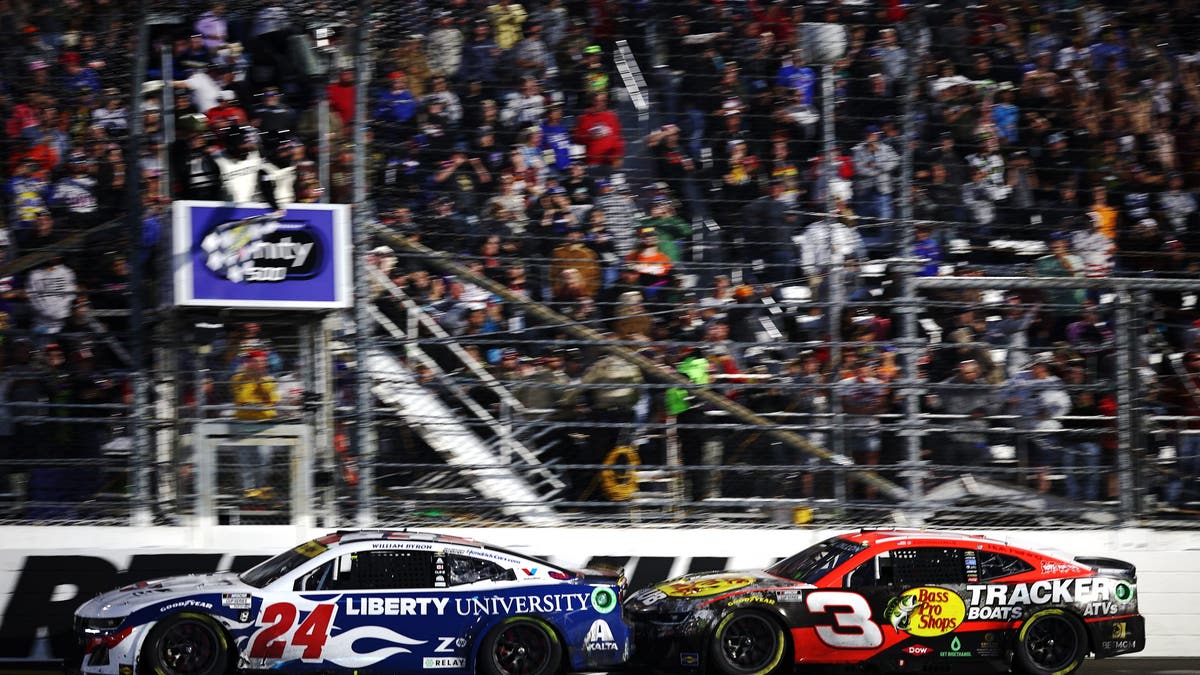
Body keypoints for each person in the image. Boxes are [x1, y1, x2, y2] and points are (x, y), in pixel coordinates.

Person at [229, 349, 279, 500]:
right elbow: (241, 399)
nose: (249, 363)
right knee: (245, 458)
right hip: (244, 423)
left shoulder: (269, 379)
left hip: (264, 424)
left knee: (264, 458)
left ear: (262, 362)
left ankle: (262, 488)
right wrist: (251, 380)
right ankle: (248, 490)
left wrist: (260, 381)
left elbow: (272, 399)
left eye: (253, 360)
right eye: (248, 360)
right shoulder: (237, 379)